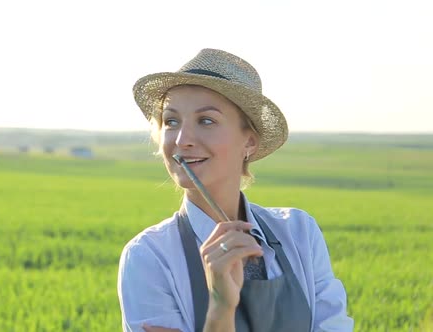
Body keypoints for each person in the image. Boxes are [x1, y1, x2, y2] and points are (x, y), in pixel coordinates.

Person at [117, 48, 354, 332]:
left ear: (249, 142)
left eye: (206, 120)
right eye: (171, 121)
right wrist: (220, 307)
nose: (182, 139)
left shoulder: (299, 233)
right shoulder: (150, 257)